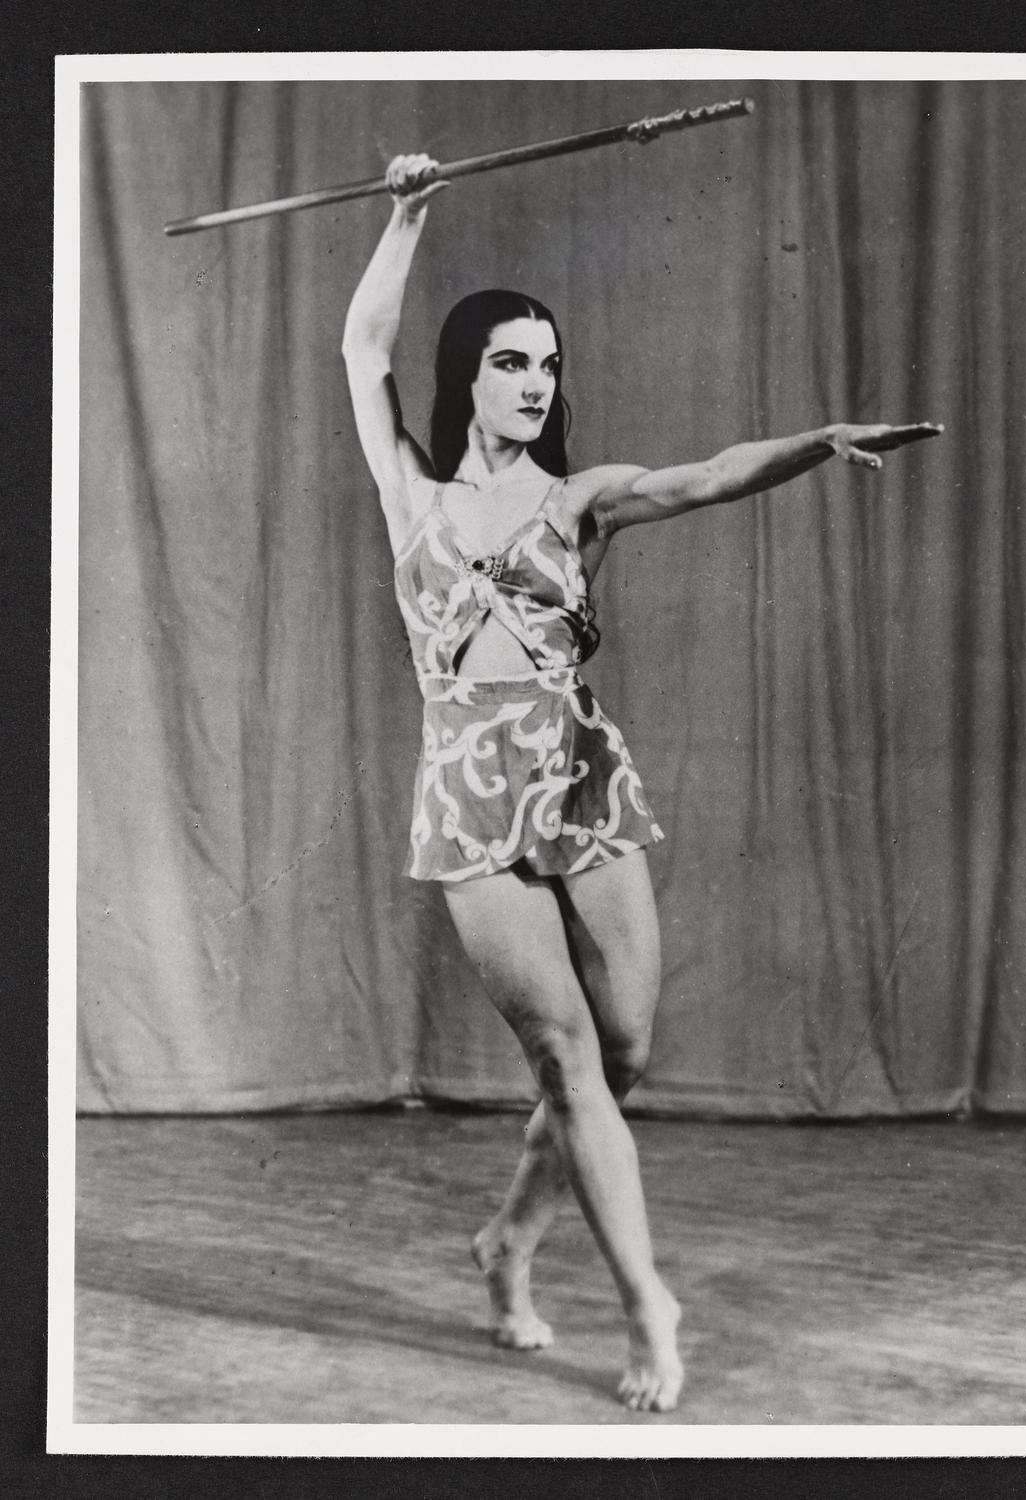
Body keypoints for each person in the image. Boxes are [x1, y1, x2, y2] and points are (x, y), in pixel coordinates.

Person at [342, 153, 941, 1413]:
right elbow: (361, 347)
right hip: (466, 794)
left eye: (546, 365)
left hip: (574, 774)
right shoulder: (412, 495)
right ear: (468, 376)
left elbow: (708, 472)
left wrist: (818, 444)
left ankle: (507, 1236)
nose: (532, 382)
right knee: (563, 1057)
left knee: (625, 1053)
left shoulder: (580, 501)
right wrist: (406, 217)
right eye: (510, 360)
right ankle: (645, 1309)